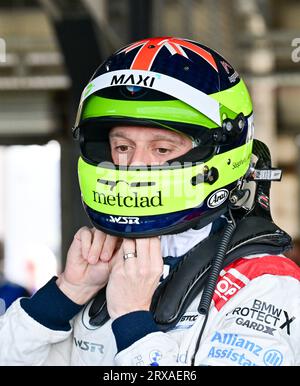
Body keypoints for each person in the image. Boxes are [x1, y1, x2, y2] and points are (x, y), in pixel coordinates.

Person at [0, 36, 299, 366]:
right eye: (123, 147)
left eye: (162, 149)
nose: (136, 167)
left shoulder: (267, 287)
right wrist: (63, 296)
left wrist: (133, 323)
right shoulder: (96, 276)